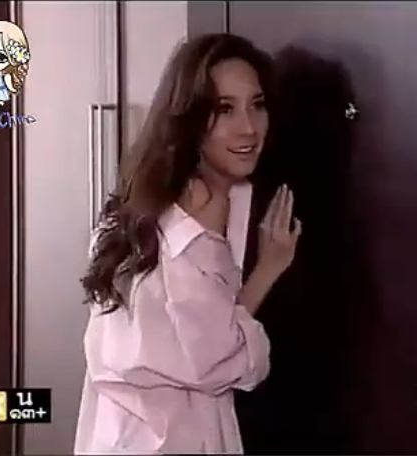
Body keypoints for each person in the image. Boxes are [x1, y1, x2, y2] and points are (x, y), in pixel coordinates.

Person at [74, 34, 301, 454]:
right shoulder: (197, 216)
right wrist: (269, 267)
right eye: (224, 109)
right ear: (190, 117)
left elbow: (201, 333)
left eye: (257, 104)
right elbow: (223, 359)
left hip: (118, 435)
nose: (249, 127)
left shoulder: (143, 199)